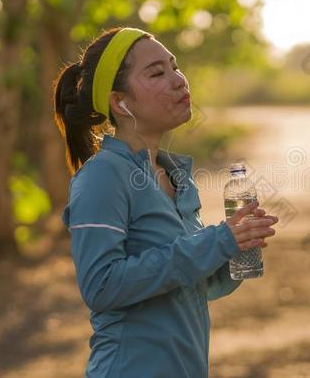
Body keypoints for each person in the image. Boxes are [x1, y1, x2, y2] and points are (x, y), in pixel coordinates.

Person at [53, 27, 279, 377]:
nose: (178, 80)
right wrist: (216, 240)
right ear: (119, 102)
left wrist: (235, 248)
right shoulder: (103, 176)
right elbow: (101, 287)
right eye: (157, 73)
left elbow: (189, 285)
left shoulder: (175, 176)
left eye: (174, 67)